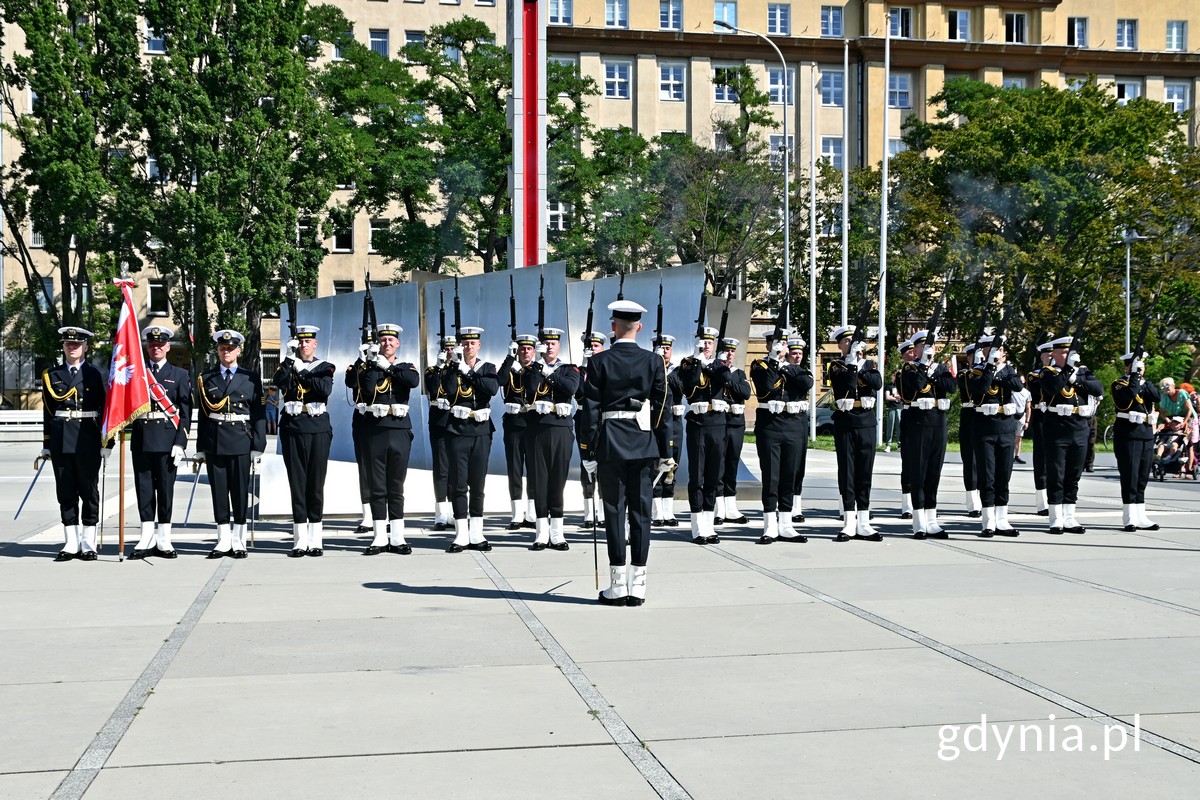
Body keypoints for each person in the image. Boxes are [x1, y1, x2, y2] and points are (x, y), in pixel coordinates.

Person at [580, 300, 669, 606]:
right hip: (644, 443)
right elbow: (661, 409)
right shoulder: (654, 362)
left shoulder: (599, 362)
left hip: (610, 444)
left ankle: (617, 585)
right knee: (642, 514)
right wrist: (664, 448)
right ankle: (639, 584)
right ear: (639, 327)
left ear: (613, 327)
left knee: (615, 514)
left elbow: (589, 410)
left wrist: (587, 451)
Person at [347, 323, 420, 555]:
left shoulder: (406, 365)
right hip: (374, 428)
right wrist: (366, 362)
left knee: (396, 485)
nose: (387, 343)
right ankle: (379, 536)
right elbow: (365, 389)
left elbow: (412, 381)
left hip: (399, 428)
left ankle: (397, 537)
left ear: (397, 343)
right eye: (383, 340)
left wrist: (386, 366)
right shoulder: (370, 367)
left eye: (391, 340)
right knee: (377, 485)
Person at [195, 330, 266, 558]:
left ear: (239, 350)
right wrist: (200, 448)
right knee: (218, 491)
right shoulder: (206, 378)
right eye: (223, 348)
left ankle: (239, 540)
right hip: (215, 440)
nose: (227, 352)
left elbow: (258, 413)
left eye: (231, 348)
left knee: (239, 491)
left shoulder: (250, 377)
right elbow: (204, 415)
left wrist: (258, 444)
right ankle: (223, 540)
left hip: (240, 439)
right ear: (218, 350)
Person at [41, 326, 107, 561]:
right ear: (63, 347)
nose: (72, 347)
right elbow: (49, 412)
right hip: (60, 440)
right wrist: (47, 443)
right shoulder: (52, 374)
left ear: (86, 347)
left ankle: (88, 542)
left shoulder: (98, 374)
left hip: (88, 438)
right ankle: (71, 542)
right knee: (65, 491)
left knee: (89, 491)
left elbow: (107, 410)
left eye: (77, 344)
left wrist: (106, 442)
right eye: (68, 344)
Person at [128, 326, 192, 559]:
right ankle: (146, 536)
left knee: (165, 490)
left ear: (167, 347)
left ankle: (164, 538)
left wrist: (180, 443)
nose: (156, 347)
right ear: (147, 347)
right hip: (142, 439)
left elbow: (185, 413)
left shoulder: (180, 375)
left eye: (160, 344)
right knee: (144, 490)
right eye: (152, 344)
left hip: (167, 440)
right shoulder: (136, 374)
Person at [433, 326, 499, 552]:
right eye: (465, 343)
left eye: (473, 343)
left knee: (478, 484)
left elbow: (491, 389)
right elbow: (450, 391)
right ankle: (461, 534)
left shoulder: (488, 367)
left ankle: (477, 533)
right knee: (459, 483)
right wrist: (454, 367)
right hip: (457, 430)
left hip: (481, 431)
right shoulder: (452, 369)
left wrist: (468, 372)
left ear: (479, 345)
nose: (469, 347)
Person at [274, 325, 337, 557]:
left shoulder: (324, 367)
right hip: (292, 427)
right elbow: (279, 381)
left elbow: (323, 390)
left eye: (307, 342)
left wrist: (301, 371)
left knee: (315, 483)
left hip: (317, 428)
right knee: (297, 483)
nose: (303, 345)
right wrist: (289, 359)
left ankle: (316, 538)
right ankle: (300, 539)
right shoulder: (288, 364)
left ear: (315, 344)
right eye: (300, 342)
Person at [522, 327, 580, 550]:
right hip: (537, 429)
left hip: (561, 429)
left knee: (558, 479)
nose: (549, 347)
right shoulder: (532, 370)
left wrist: (549, 373)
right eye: (545, 344)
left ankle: (557, 533)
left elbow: (570, 387)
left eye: (552, 344)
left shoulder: (569, 369)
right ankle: (541, 533)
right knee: (538, 480)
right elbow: (530, 387)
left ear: (559, 346)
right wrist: (538, 366)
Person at [1040, 334, 1104, 535]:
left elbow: (1097, 388)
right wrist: (1067, 370)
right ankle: (1055, 517)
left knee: (1074, 474)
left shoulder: (1083, 372)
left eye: (1069, 352)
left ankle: (1069, 516)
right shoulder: (1048, 372)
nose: (1067, 355)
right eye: (1064, 352)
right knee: (1056, 473)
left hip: (1079, 427)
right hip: (1057, 428)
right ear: (1055, 354)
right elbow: (1053, 388)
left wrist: (1075, 376)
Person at [750, 333, 811, 544]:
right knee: (771, 476)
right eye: (777, 343)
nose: (782, 347)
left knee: (789, 475)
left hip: (793, 425)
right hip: (770, 426)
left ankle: (786, 524)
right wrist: (774, 361)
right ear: (768, 345)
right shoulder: (759, 365)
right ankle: (770, 525)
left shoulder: (793, 367)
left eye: (784, 344)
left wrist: (784, 366)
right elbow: (766, 387)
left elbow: (807, 382)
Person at [965, 335, 1025, 537]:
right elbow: (980, 388)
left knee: (1003, 474)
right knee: (987, 474)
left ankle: (1002, 519)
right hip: (985, 428)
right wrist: (990, 367)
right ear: (983, 351)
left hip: (1006, 427)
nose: (994, 352)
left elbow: (1017, 386)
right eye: (989, 349)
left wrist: (1000, 370)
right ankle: (988, 520)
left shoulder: (1009, 370)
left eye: (997, 349)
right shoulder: (976, 371)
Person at [898, 330, 956, 539]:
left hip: (938, 424)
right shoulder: (909, 368)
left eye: (931, 346)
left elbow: (951, 387)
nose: (929, 350)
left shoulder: (940, 368)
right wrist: (924, 367)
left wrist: (934, 372)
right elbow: (917, 385)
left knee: (934, 473)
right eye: (924, 347)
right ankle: (919, 521)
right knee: (919, 473)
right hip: (918, 424)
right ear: (916, 349)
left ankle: (932, 519)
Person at [827, 326, 883, 541]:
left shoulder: (869, 365)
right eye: (847, 341)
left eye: (855, 341)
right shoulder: (836, 366)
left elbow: (877, 384)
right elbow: (848, 385)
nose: (851, 345)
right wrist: (852, 364)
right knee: (848, 471)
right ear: (840, 345)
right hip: (846, 421)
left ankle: (864, 521)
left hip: (867, 421)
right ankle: (849, 521)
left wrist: (860, 365)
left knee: (865, 471)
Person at [678, 326, 728, 545]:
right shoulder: (688, 363)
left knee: (713, 476)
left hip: (717, 423)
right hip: (698, 423)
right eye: (703, 341)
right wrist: (698, 361)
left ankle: (709, 523)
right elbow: (688, 386)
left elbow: (725, 378)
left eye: (710, 341)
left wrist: (709, 364)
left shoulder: (719, 364)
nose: (707, 344)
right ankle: (698, 526)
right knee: (697, 476)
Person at [1112, 351, 1160, 531]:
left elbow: (1157, 397)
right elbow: (1129, 396)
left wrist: (1142, 381)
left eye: (1142, 365)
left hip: (1146, 433)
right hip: (1129, 434)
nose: (1141, 368)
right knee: (1130, 476)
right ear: (1127, 367)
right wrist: (1133, 376)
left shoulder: (1146, 384)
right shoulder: (1119, 384)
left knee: (1141, 477)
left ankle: (1141, 515)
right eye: (1136, 365)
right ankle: (1130, 516)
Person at [499, 333, 536, 531]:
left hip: (531, 424)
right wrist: (509, 358)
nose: (525, 352)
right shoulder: (510, 370)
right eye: (522, 349)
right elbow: (500, 380)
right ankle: (516, 514)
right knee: (514, 469)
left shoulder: (536, 370)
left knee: (533, 469)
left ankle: (531, 514)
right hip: (513, 424)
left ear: (534, 351)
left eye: (529, 349)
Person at [715, 337, 751, 526]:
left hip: (736, 423)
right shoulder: (714, 371)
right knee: (718, 464)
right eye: (726, 351)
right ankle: (718, 506)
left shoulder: (738, 373)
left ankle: (730, 505)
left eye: (732, 351)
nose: (730, 354)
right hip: (719, 422)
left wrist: (728, 382)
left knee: (732, 463)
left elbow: (745, 393)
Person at [424, 334, 458, 531]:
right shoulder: (432, 370)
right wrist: (438, 368)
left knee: (457, 469)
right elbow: (433, 388)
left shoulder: (460, 369)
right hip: (439, 421)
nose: (449, 352)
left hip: (457, 421)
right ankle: (441, 515)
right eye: (446, 349)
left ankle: (456, 512)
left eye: (452, 348)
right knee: (441, 468)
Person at [652, 334, 685, 527]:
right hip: (657, 423)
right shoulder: (650, 369)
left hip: (674, 422)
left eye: (667, 348)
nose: (664, 352)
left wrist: (664, 372)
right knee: (657, 465)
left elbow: (682, 387)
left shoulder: (677, 371)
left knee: (673, 465)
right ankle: (657, 512)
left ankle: (668, 511)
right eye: (661, 348)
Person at [575, 332, 607, 528]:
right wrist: (585, 365)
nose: (593, 349)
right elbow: (578, 393)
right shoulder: (579, 371)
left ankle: (603, 512)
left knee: (604, 466)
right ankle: (589, 513)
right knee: (586, 464)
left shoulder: (606, 369)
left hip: (603, 419)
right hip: (583, 419)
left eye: (596, 346)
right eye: (590, 347)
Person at [1026, 343, 1053, 515]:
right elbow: (1041, 389)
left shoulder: (1061, 373)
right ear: (1042, 357)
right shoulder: (1034, 375)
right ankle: (1042, 501)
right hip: (1042, 418)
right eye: (1048, 355)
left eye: (1053, 354)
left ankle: (1058, 499)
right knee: (1042, 460)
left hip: (1058, 418)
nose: (1051, 357)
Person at [787, 339, 811, 522]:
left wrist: (791, 371)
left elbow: (806, 383)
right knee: (787, 465)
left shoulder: (803, 371)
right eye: (794, 353)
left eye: (800, 354)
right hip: (786, 419)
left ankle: (797, 505)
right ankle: (785, 503)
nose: (797, 357)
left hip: (801, 419)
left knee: (799, 465)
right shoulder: (783, 370)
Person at [957, 343, 983, 518]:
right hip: (969, 415)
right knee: (971, 461)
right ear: (968, 358)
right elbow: (969, 388)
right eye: (974, 357)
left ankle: (985, 498)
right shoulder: (964, 374)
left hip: (985, 417)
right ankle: (973, 503)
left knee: (985, 461)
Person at [894, 347, 916, 520]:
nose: (913, 354)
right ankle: (907, 504)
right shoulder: (903, 374)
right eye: (909, 352)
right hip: (910, 418)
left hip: (930, 420)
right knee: (909, 464)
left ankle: (924, 504)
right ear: (902, 356)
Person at [884, 371, 902, 453]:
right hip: (892, 408)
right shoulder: (889, 386)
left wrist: (895, 396)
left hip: (899, 408)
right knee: (890, 427)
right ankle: (888, 445)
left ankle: (900, 444)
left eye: (897, 375)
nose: (895, 377)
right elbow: (887, 397)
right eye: (894, 375)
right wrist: (896, 398)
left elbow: (903, 396)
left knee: (899, 427)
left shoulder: (901, 385)